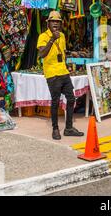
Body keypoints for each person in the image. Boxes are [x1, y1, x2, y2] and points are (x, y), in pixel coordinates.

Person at [37, 11, 84, 140]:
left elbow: (61, 52)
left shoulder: (62, 36)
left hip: (63, 72)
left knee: (71, 99)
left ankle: (68, 128)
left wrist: (69, 56)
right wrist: (52, 39)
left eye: (58, 22)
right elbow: (42, 54)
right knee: (55, 102)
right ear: (48, 23)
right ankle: (55, 129)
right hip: (52, 74)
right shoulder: (43, 36)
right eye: (53, 21)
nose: (55, 24)